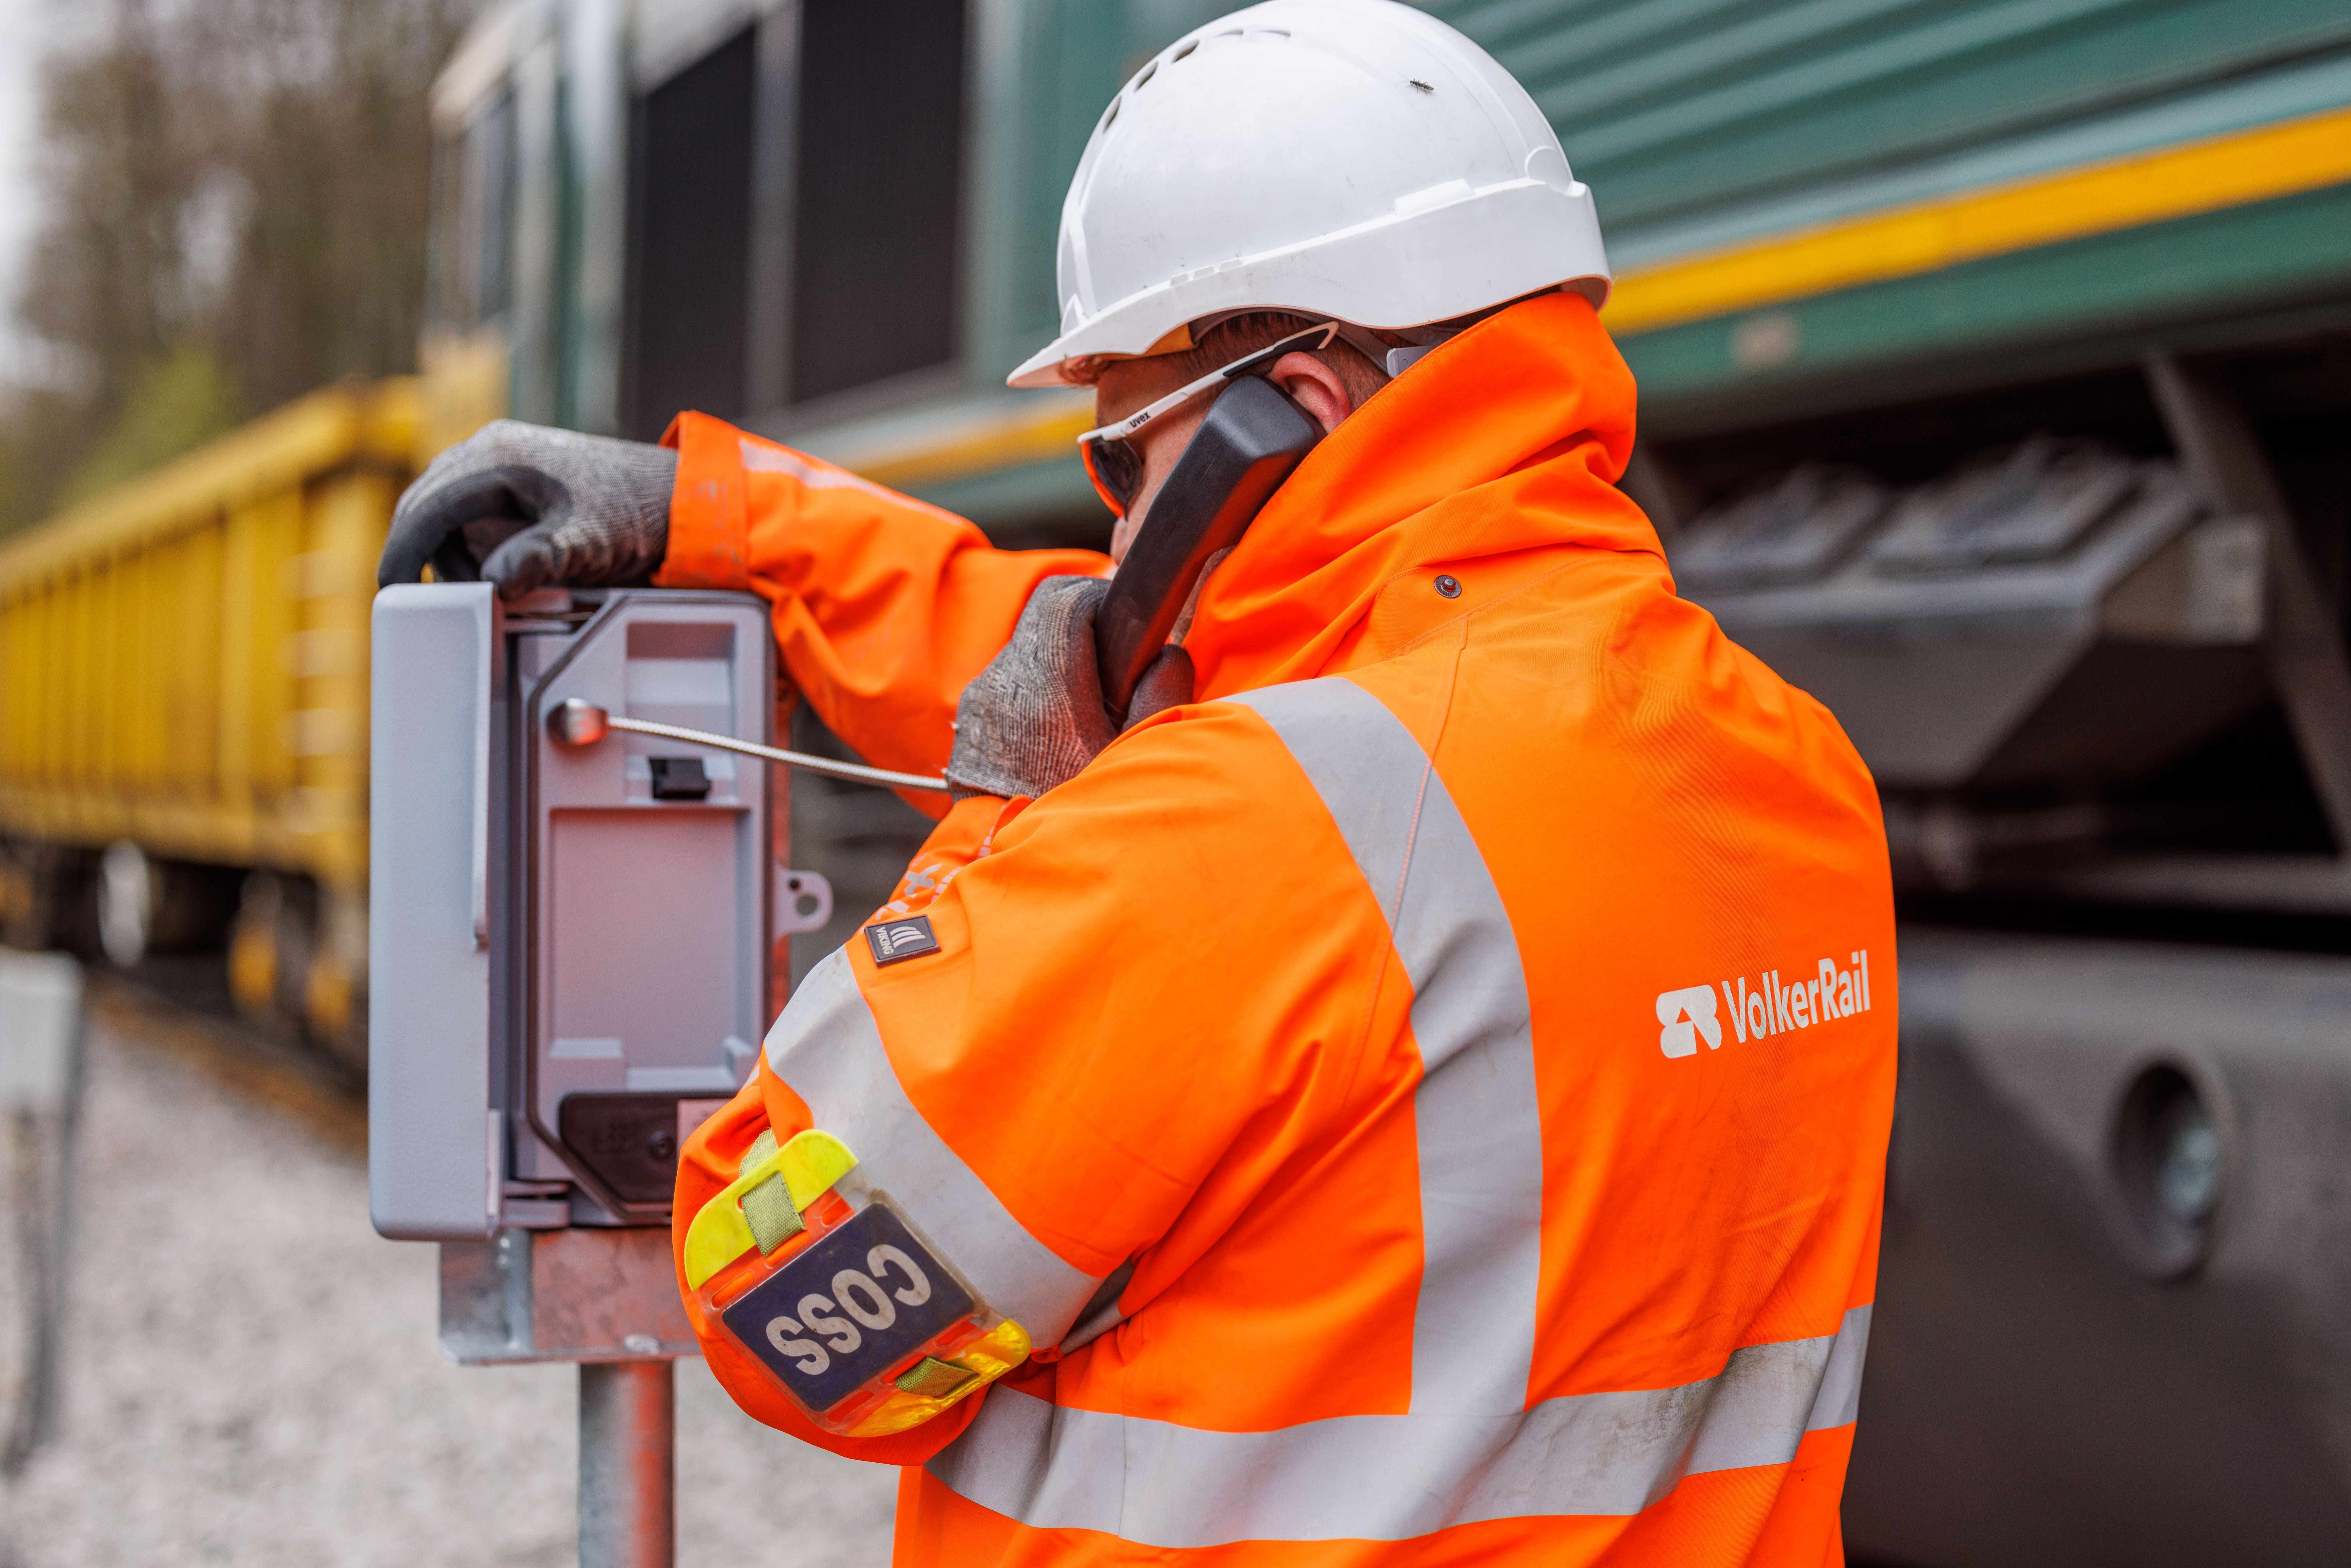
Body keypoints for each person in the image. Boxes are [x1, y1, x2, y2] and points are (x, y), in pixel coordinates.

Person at [379, 3, 1896, 1561]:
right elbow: (1187, 686)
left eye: (1125, 464)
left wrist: (1002, 809)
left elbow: (779, 1302)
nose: (1115, 536)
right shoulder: (1788, 766)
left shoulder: (1240, 841)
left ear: (1291, 418)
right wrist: (741, 515)